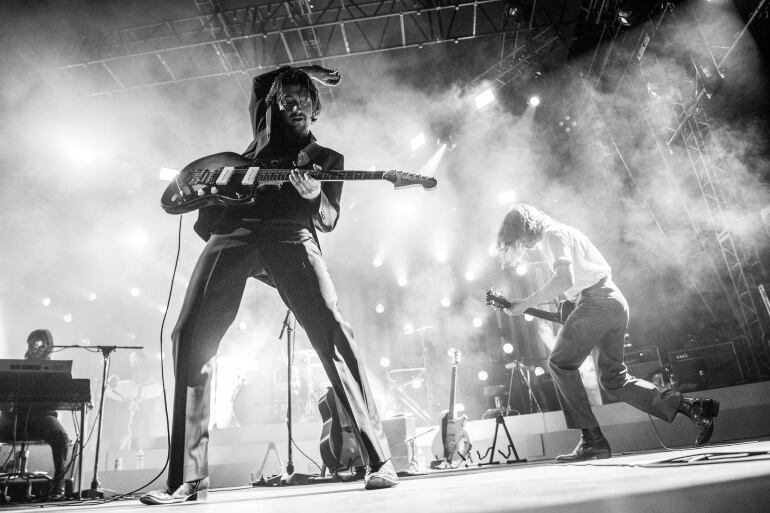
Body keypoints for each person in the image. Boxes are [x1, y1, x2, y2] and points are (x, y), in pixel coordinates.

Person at [141, 65, 397, 505]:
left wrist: (314, 195)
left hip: (290, 235)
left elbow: (329, 219)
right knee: (190, 335)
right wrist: (306, 70)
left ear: (316, 110)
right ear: (274, 107)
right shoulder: (258, 138)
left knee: (332, 334)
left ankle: (379, 460)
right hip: (232, 234)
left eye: (305, 100)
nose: (296, 106)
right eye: (288, 100)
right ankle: (188, 479)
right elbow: (265, 81)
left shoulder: (326, 159)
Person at [496, 204, 719, 462]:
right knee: (614, 379)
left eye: (520, 238)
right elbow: (575, 285)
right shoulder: (563, 232)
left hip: (597, 301)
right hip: (611, 300)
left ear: (525, 227)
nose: (523, 245)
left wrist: (524, 303)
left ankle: (593, 441)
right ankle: (693, 407)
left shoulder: (551, 235)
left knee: (559, 363)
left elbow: (564, 279)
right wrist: (567, 306)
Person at [0, 329, 71, 497]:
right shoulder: (13, 370)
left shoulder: (55, 371)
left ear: (49, 347)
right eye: (31, 343)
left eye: (39, 343)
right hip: (13, 417)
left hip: (43, 417)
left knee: (61, 438)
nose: (35, 347)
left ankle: (58, 488)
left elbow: (66, 394)